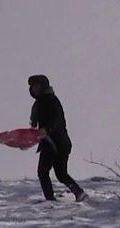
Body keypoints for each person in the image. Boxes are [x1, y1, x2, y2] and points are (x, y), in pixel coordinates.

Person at [28, 74, 87, 202]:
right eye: (32, 86)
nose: (34, 89)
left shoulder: (51, 100)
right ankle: (78, 193)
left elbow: (57, 119)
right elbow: (35, 127)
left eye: (36, 86)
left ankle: (51, 199)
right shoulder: (38, 104)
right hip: (53, 143)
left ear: (43, 86)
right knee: (59, 174)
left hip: (56, 143)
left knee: (45, 172)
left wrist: (47, 129)